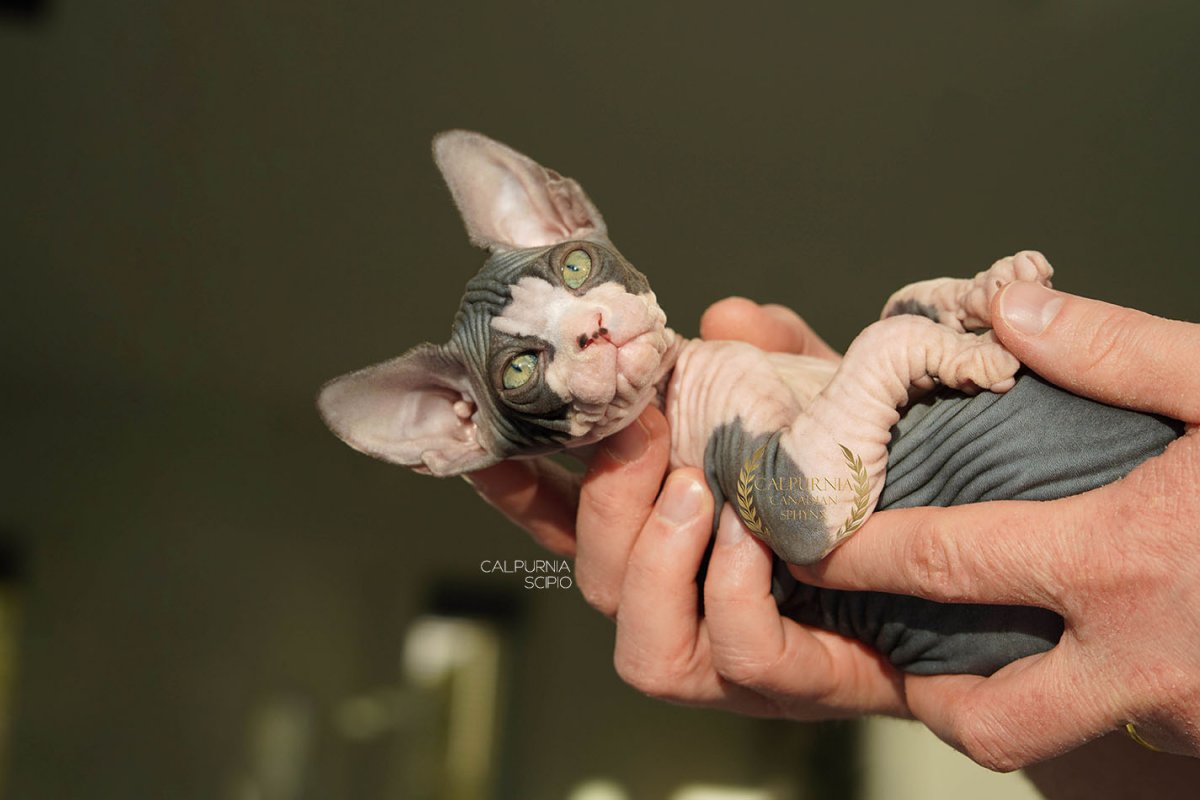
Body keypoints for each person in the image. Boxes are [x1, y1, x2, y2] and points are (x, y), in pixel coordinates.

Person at [464, 281, 1200, 795]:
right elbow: (805, 516)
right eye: (525, 367)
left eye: (573, 268)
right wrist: (897, 348)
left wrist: (914, 336)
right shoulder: (696, 416)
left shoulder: (707, 380)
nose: (587, 322)